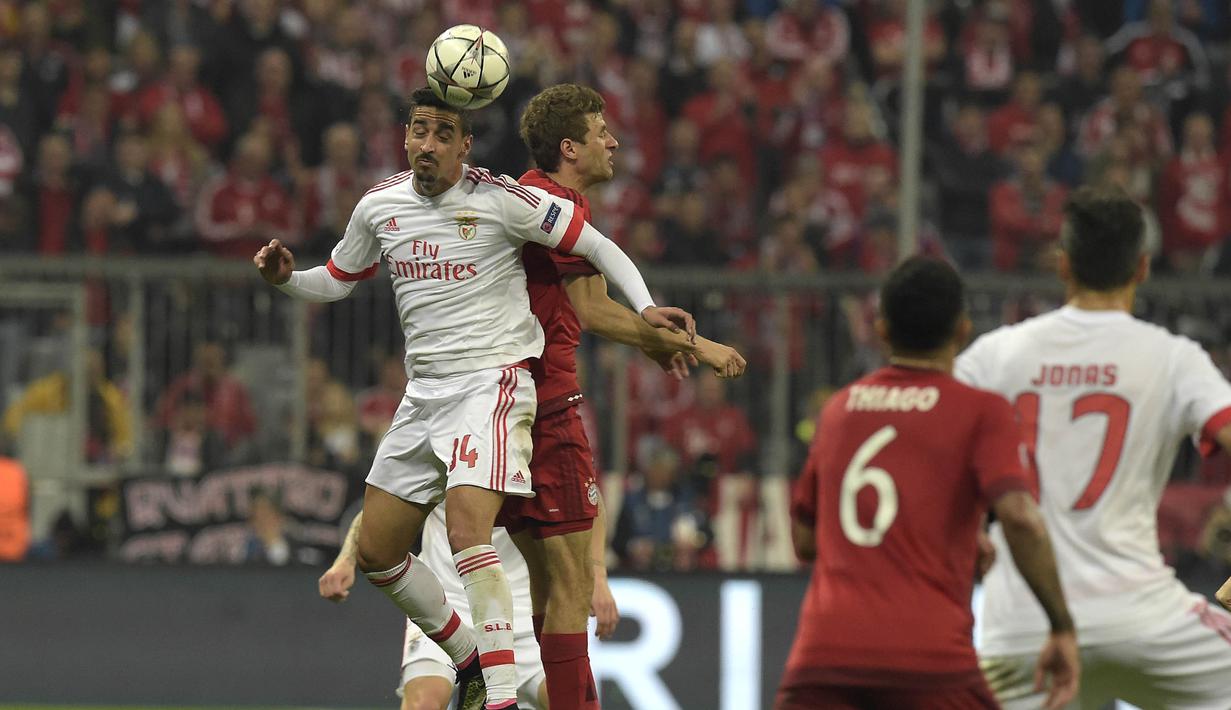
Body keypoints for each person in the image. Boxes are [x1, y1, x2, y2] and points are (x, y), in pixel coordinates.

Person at [254, 87, 693, 710]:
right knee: (380, 550)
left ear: (465, 144)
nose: (426, 144)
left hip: (493, 384)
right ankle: (471, 660)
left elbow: (595, 244)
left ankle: (500, 699)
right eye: (417, 131)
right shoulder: (379, 206)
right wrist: (285, 280)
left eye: (442, 133)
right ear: (405, 137)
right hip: (424, 394)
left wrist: (646, 306)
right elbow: (337, 279)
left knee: (466, 531)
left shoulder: (503, 200)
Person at [511, 82, 746, 710]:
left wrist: (650, 344)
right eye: (600, 132)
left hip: (514, 399)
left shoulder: (542, 200)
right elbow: (601, 312)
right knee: (568, 582)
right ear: (571, 147)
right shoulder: (546, 204)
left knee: (543, 582)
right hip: (543, 400)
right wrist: (700, 346)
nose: (613, 141)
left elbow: (588, 307)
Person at [957, 186, 1231, 708]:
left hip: (1019, 629)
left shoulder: (995, 356)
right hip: (1142, 621)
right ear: (1143, 268)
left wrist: (966, 530)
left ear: (1063, 265)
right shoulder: (1172, 358)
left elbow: (930, 442)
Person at [778, 256, 1079, 710]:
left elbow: (805, 540)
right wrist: (1061, 625)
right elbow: (1020, 518)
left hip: (823, 659)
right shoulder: (981, 410)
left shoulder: (839, 411)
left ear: (881, 331)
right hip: (930, 661)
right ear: (962, 330)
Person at [320, 509, 572, 710]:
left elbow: (589, 502)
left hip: (519, 608)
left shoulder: (536, 446)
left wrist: (594, 573)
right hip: (445, 602)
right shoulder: (441, 446)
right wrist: (346, 559)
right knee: (423, 703)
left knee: (568, 702)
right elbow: (384, 504)